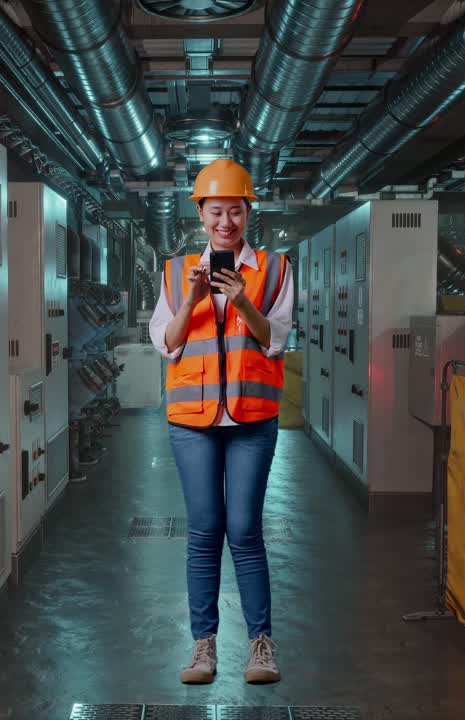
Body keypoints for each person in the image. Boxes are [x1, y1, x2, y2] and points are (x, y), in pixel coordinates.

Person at [148, 158, 294, 685]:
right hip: (193, 421)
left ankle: (260, 645)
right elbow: (166, 343)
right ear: (201, 214)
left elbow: (275, 338)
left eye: (235, 210)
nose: (225, 222)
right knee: (205, 531)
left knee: (245, 531)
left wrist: (240, 299)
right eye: (216, 211)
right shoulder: (173, 272)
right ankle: (203, 647)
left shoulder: (274, 270)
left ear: (248, 212)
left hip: (252, 420)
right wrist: (192, 298)